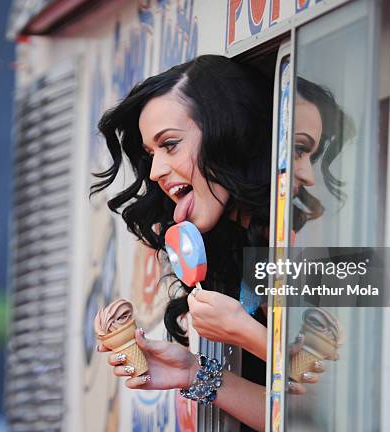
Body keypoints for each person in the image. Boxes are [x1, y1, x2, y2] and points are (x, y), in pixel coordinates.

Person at [91, 55, 352, 431]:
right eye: (151, 153)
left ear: (230, 134)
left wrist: (247, 333)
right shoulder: (240, 250)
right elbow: (292, 420)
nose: (155, 171)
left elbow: (344, 410)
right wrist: (192, 372)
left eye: (170, 145)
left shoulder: (314, 247)